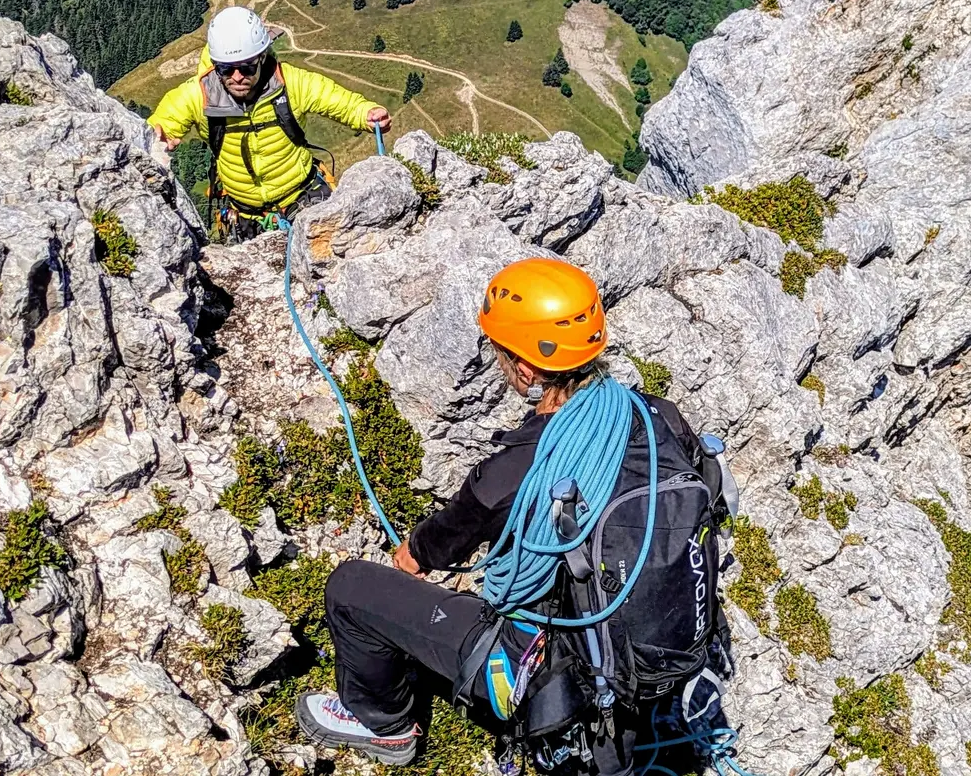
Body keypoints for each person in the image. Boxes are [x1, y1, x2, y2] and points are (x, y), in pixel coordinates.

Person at [295, 259, 728, 774]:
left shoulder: (515, 471)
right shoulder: (656, 415)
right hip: (649, 656)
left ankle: (383, 725)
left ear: (525, 369)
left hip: (545, 671)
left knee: (350, 590)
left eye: (499, 351)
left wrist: (406, 561)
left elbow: (432, 548)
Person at [149, 6, 389, 243]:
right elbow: (160, 124)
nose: (237, 77)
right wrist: (157, 137)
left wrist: (366, 114)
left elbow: (336, 100)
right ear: (214, 64)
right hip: (245, 215)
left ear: (262, 58)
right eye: (225, 69)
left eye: (247, 67)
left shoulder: (289, 83)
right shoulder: (198, 94)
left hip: (302, 198)